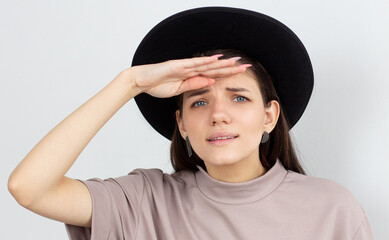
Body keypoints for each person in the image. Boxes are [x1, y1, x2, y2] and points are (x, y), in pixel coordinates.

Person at [8, 6, 374, 240]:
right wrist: (130, 83)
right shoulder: (142, 202)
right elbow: (29, 187)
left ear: (269, 116)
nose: (217, 114)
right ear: (181, 124)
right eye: (199, 101)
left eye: (239, 97)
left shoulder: (332, 208)